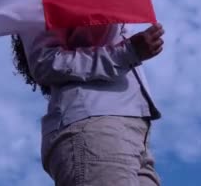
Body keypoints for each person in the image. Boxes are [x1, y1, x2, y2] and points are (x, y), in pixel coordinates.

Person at [12, 23, 165, 185]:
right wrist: (127, 52)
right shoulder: (45, 2)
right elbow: (44, 61)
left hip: (136, 132)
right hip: (95, 126)